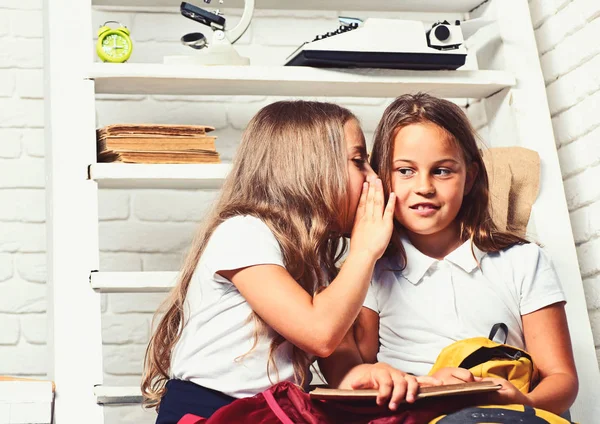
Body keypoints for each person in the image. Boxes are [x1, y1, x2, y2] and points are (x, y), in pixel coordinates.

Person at [140, 100, 399, 423]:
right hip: (209, 413)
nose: (374, 179)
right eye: (359, 161)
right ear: (309, 168)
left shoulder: (311, 259)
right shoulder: (243, 232)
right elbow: (320, 333)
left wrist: (374, 376)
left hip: (268, 412)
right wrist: (364, 250)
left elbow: (340, 366)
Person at [320, 93, 578, 416]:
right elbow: (351, 367)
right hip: (416, 413)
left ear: (469, 177)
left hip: (510, 414)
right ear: (382, 177)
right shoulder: (371, 271)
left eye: (442, 171)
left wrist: (523, 401)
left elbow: (562, 379)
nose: (424, 186)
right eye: (405, 171)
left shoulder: (523, 261)